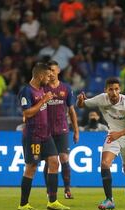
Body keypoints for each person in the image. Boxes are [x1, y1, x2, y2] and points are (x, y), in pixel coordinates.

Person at [77, 77, 125, 210]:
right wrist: (80, 100)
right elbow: (82, 105)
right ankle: (109, 200)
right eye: (111, 89)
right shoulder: (102, 98)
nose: (114, 92)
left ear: (120, 90)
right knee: (105, 164)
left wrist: (121, 133)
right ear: (106, 90)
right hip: (113, 135)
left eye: (116, 89)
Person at [17, 62, 70, 210]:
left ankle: (52, 201)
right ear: (40, 75)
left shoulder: (41, 89)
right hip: (33, 135)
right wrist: (43, 101)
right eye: (47, 75)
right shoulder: (26, 91)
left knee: (54, 162)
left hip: (46, 135)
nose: (50, 77)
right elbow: (27, 113)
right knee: (31, 167)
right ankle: (23, 204)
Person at [43, 60, 79, 199]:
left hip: (62, 129)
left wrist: (76, 131)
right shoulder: (43, 89)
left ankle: (67, 189)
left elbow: (71, 110)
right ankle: (49, 191)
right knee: (50, 161)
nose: (51, 73)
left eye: (53, 70)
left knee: (64, 158)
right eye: (48, 71)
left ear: (58, 70)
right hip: (46, 131)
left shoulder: (66, 88)